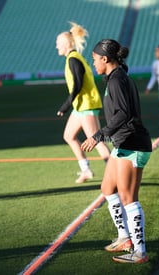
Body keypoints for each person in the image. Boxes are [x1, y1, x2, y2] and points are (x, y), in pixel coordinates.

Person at [82, 39, 152, 264]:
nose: (93, 63)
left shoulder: (117, 80)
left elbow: (123, 114)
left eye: (94, 59)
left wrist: (99, 135)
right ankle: (124, 238)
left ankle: (139, 252)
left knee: (129, 198)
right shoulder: (116, 77)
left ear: (105, 59)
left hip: (132, 143)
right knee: (107, 188)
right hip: (124, 143)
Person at [55, 22, 110, 183]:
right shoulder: (72, 58)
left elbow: (78, 85)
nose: (56, 46)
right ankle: (85, 170)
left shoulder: (73, 59)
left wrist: (65, 106)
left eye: (58, 44)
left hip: (87, 105)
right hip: (81, 105)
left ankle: (115, 172)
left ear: (66, 44)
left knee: (96, 139)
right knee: (69, 136)